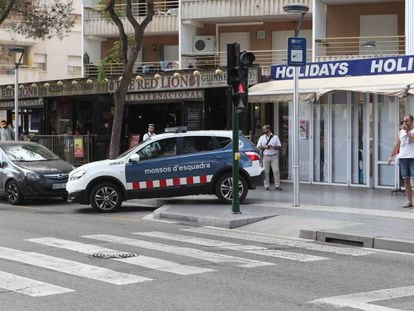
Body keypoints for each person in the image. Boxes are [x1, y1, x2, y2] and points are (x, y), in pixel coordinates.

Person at [395, 115, 414, 208]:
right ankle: (409, 201)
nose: (405, 123)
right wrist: (391, 156)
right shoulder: (401, 132)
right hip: (403, 158)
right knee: (406, 180)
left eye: (407, 121)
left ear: (412, 121)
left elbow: (413, 139)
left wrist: (407, 131)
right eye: (404, 121)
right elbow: (397, 144)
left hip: (412, 158)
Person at [257, 125, 282, 191]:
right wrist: (265, 147)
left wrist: (273, 147)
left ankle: (277, 185)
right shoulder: (262, 137)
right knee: (266, 172)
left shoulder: (275, 137)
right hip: (265, 156)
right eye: (263, 129)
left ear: (268, 129)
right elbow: (258, 147)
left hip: (274, 156)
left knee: (276, 171)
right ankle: (266, 186)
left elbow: (279, 147)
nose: (263, 131)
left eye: (264, 129)